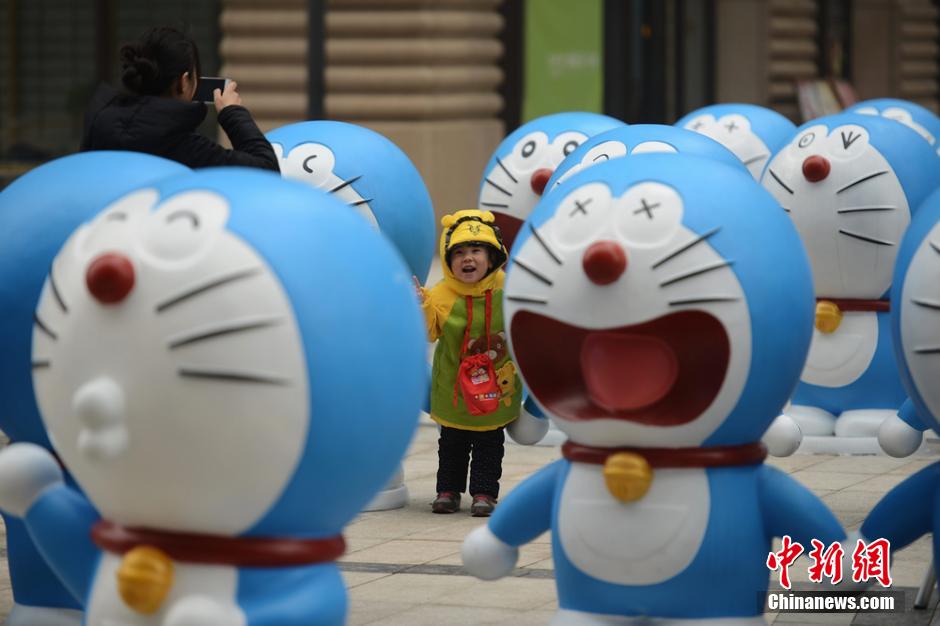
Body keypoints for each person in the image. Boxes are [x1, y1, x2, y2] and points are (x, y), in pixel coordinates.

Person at [416, 210, 522, 517]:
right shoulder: (441, 295)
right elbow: (428, 333)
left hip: (496, 389)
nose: (468, 258)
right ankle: (448, 491)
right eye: (459, 252)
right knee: (452, 443)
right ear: (448, 261)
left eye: (476, 250)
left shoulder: (509, 288)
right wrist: (421, 304)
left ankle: (484, 493)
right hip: (454, 390)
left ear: (492, 256)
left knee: (490, 443)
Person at [80, 26, 278, 171]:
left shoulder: (99, 126)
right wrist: (232, 113)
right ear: (184, 82)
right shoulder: (184, 145)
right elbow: (266, 170)